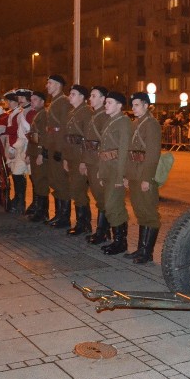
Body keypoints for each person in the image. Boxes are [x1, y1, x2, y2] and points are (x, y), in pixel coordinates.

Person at [123, 92, 162, 264]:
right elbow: (129, 152)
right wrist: (126, 175)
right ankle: (141, 248)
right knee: (140, 211)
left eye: (137, 105)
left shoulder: (151, 124)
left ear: (146, 105)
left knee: (149, 213)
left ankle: (148, 252)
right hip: (134, 173)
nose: (133, 108)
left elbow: (153, 154)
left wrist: (147, 178)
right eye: (132, 105)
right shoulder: (136, 123)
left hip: (144, 174)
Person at [98, 92, 132, 255]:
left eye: (109, 102)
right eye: (106, 102)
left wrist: (121, 176)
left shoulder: (124, 122)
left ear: (119, 106)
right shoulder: (110, 121)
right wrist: (100, 170)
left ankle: (120, 242)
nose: (106, 105)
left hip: (116, 171)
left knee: (113, 205)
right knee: (111, 205)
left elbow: (124, 151)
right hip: (108, 169)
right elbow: (103, 149)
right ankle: (117, 240)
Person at [80, 86, 111, 244]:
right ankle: (102, 231)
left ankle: (103, 232)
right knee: (99, 197)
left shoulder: (104, 116)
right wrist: (85, 161)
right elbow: (87, 142)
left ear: (102, 99)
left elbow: (105, 144)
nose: (90, 98)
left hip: (99, 163)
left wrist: (101, 167)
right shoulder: (95, 116)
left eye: (93, 96)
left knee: (102, 198)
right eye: (90, 95)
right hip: (91, 162)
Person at [63, 85, 94, 235]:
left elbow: (88, 138)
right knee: (75, 189)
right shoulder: (71, 113)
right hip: (71, 156)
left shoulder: (86, 112)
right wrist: (65, 158)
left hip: (80, 156)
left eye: (73, 94)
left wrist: (84, 160)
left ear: (82, 97)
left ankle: (84, 223)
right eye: (70, 93)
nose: (70, 96)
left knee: (78, 189)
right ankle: (82, 222)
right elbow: (67, 138)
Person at [43, 75, 72, 228]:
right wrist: (47, 147)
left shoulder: (64, 102)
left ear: (58, 85)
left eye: (50, 83)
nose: (47, 86)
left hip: (58, 146)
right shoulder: (54, 101)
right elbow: (50, 129)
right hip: (52, 144)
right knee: (54, 180)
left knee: (61, 181)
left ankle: (64, 217)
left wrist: (59, 149)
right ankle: (59, 214)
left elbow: (63, 127)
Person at [4, 89, 31, 213]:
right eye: (18, 97)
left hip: (23, 147)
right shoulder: (20, 112)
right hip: (18, 145)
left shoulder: (28, 112)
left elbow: (23, 133)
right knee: (16, 174)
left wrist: (13, 147)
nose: (19, 99)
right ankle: (19, 200)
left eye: (22, 97)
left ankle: (21, 202)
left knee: (18, 174)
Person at [26, 91, 50, 222]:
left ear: (42, 101)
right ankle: (40, 210)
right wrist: (29, 153)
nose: (32, 102)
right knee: (37, 180)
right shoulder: (37, 114)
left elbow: (43, 136)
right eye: (32, 99)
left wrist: (41, 153)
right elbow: (32, 136)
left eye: (35, 99)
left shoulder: (44, 114)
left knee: (41, 181)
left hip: (39, 153)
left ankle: (43, 212)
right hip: (34, 152)